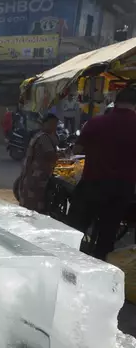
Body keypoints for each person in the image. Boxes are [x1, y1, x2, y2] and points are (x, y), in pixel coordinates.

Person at [68, 87, 136, 261]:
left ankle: (69, 266)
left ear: (116, 102)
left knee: (75, 233)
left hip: (92, 185)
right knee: (107, 238)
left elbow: (77, 149)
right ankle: (98, 270)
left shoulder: (95, 123)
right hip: (121, 191)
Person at [17, 113, 60, 213]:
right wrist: (62, 155)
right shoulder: (44, 138)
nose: (54, 127)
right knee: (35, 207)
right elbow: (51, 155)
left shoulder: (39, 135)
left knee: (29, 206)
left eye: (55, 124)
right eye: (51, 124)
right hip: (37, 177)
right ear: (44, 124)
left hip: (31, 174)